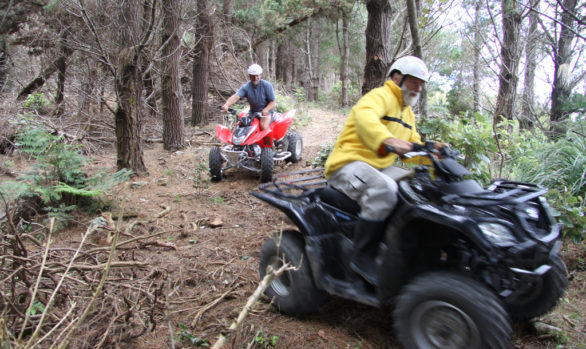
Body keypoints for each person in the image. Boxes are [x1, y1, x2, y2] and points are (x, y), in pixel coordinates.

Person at [324, 56, 447, 285]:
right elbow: (365, 118)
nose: (418, 88)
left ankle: (399, 245)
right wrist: (387, 139)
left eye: (421, 84)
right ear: (397, 77)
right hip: (347, 164)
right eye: (414, 82)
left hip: (378, 167)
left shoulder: (407, 113)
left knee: (417, 189)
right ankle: (361, 255)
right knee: (386, 189)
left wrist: (434, 155)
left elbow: (413, 145)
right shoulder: (379, 96)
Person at [221, 64, 276, 132]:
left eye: (257, 75)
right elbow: (235, 97)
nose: (256, 77)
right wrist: (226, 105)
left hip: (266, 113)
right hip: (253, 113)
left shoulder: (267, 85)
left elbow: (273, 101)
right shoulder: (246, 87)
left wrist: (266, 110)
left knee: (263, 126)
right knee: (241, 125)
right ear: (250, 76)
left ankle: (269, 143)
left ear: (260, 75)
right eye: (253, 76)